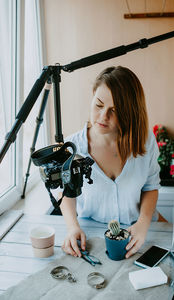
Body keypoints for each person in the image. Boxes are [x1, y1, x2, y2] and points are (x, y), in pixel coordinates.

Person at [59, 66, 161, 259]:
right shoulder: (72, 148)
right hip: (92, 236)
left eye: (115, 110)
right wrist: (72, 227)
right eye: (98, 105)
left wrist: (143, 223)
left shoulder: (146, 140)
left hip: (138, 232)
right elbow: (66, 192)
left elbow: (151, 186)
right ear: (92, 97)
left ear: (130, 112)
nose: (103, 117)